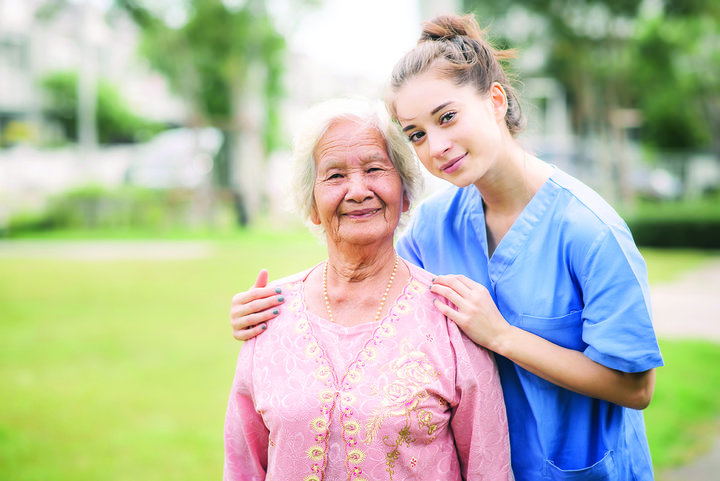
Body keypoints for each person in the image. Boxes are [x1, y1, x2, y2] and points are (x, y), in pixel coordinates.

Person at [223, 97, 514, 480]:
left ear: (405, 192)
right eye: (335, 175)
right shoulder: (268, 313)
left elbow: (487, 467)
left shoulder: (451, 317)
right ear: (312, 203)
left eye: (375, 169)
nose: (358, 190)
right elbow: (243, 465)